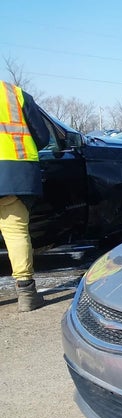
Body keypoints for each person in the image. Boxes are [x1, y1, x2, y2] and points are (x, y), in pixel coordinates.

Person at [0, 80, 51, 311]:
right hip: (14, 175)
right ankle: (26, 294)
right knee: (16, 233)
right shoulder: (14, 94)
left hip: (13, 175)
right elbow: (42, 137)